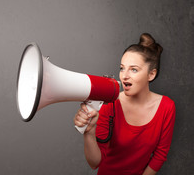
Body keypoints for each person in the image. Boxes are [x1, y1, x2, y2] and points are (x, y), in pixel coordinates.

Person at [73, 33, 176, 175]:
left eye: (134, 69)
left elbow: (160, 155)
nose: (124, 75)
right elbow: (94, 163)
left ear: (151, 74)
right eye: (122, 68)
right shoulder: (110, 103)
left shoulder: (167, 107)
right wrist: (89, 133)